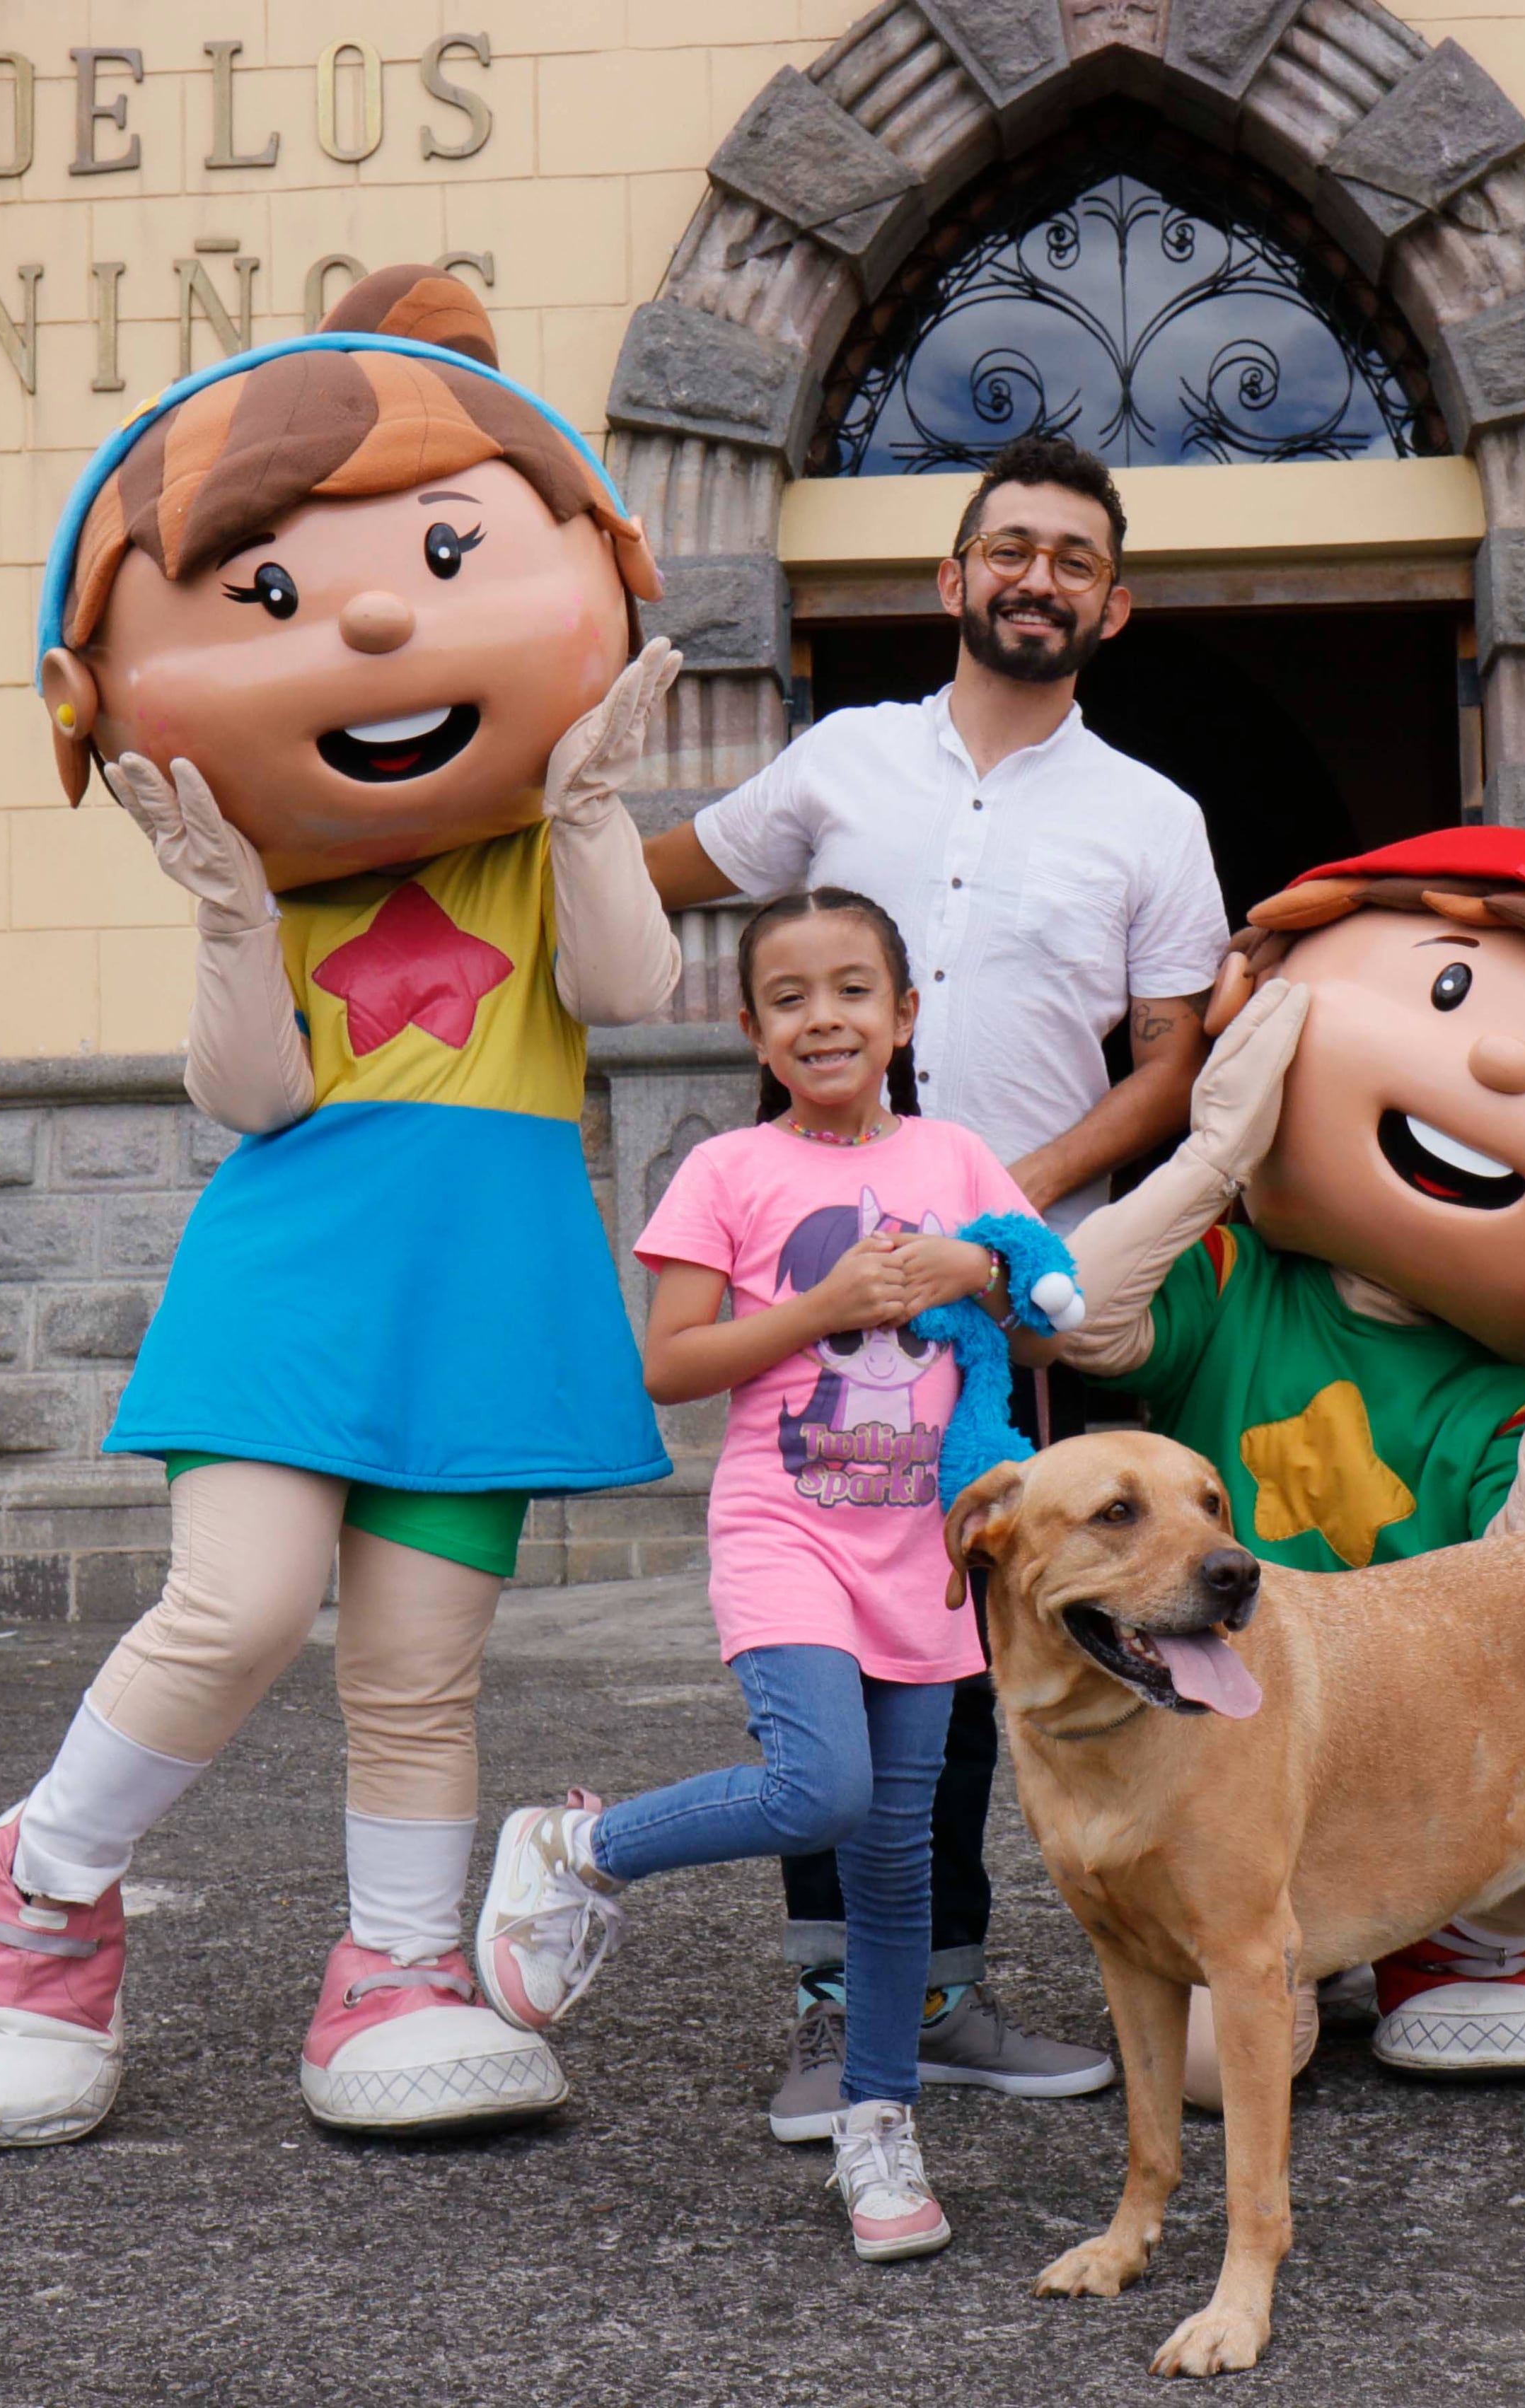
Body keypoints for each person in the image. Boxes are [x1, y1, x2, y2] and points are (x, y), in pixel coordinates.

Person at [0, 266, 682, 2146]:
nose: (384, 613)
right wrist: (234, 910)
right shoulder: (279, 872)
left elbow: (634, 994)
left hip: (484, 1277)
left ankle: (395, 1969)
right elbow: (251, 1094)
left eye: (449, 551)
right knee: (232, 1604)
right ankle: (29, 1900)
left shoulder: (535, 850)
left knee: (418, 1663)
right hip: (294, 1260)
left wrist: (584, 805)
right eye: (281, 596)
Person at [644, 432, 1230, 2133]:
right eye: (1008, 548)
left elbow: (1173, 1058)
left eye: (1070, 558)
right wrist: (489, 826)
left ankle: (948, 1992)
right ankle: (839, 2009)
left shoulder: (1153, 814)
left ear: (1109, 606)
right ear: (950, 577)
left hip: (1018, 1299)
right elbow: (661, 875)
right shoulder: (840, 762)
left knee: (980, 1654)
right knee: (829, 1636)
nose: (1034, 576)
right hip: (829, 1297)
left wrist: (996, 1208)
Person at [1057, 827, 1525, 2087]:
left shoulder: (1510, 1396)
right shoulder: (1240, 1289)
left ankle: (1498, 1945)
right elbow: (1081, 1315)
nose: (1500, 1061)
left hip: (1439, 1786)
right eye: (1443, 990)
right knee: (1196, 2068)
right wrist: (1214, 1149)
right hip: (1229, 1759)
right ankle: (1282, 1954)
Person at [473, 888, 1060, 2263]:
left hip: (928, 1542)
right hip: (785, 1530)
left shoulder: (962, 1156)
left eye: (853, 989)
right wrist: (819, 1308)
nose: (825, 1017)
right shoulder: (728, 1169)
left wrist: (975, 1261)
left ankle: (877, 2123)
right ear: (752, 1027)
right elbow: (670, 1364)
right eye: (789, 996)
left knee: (896, 1860)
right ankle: (578, 1846)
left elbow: (1045, 1324)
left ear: (904, 1014)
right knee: (822, 1786)